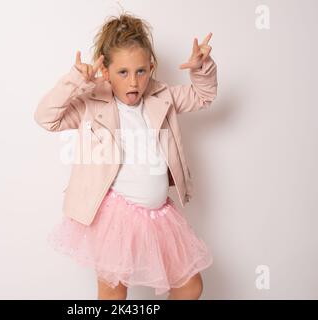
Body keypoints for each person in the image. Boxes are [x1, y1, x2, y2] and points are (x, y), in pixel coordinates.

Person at [34, 12, 218, 300]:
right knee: (114, 294)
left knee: (190, 286)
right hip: (115, 217)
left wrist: (202, 67)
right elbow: (46, 118)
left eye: (141, 71)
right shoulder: (92, 103)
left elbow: (202, 96)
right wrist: (74, 82)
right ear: (105, 72)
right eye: (123, 72)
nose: (133, 82)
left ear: (151, 67)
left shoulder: (162, 96)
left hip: (160, 217)